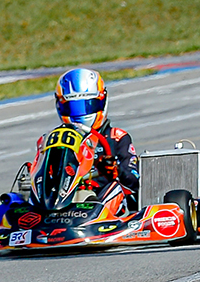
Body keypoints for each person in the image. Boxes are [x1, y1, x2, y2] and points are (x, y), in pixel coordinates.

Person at [53, 68, 139, 209]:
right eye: (74, 108)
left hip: (105, 203)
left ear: (101, 101)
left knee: (113, 188)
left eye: (88, 106)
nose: (81, 113)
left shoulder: (117, 137)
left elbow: (134, 182)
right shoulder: (58, 140)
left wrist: (115, 170)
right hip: (64, 201)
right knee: (13, 202)